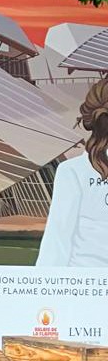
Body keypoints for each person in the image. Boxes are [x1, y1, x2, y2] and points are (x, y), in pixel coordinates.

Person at [37, 78, 108, 268]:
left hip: (82, 280)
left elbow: (57, 242)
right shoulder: (73, 171)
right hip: (85, 282)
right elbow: (57, 242)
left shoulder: (73, 171)